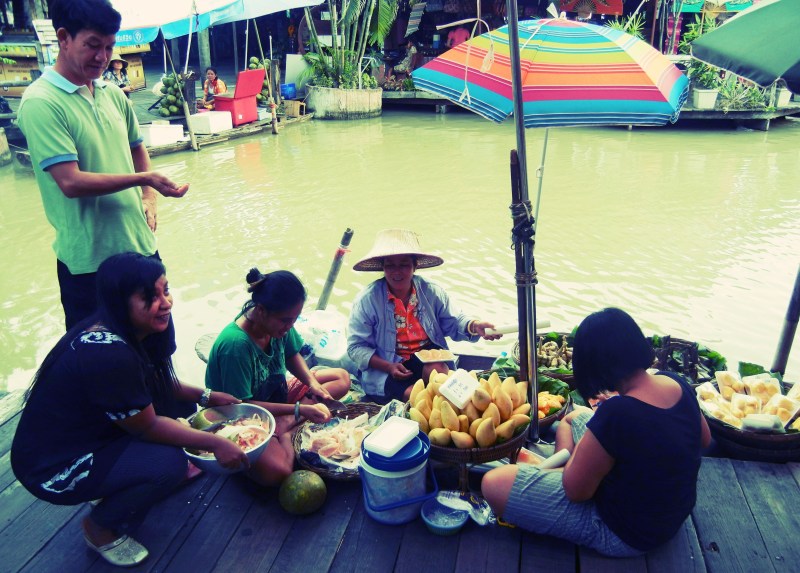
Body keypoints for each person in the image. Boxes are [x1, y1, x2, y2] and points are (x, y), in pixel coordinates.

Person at [10, 253, 247, 568]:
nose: (165, 303)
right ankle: (99, 527)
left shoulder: (121, 329)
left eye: (165, 290)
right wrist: (218, 442)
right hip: (50, 469)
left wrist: (206, 395)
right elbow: (146, 427)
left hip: (82, 439)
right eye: (149, 296)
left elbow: (156, 383)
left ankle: (110, 481)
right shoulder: (109, 354)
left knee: (173, 429)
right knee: (170, 464)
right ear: (119, 302)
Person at [481, 307, 711, 557]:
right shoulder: (676, 382)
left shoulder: (618, 413)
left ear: (594, 366)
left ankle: (565, 466)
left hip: (625, 534)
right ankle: (570, 464)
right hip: (670, 516)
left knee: (493, 483)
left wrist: (576, 464)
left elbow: (577, 492)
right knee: (574, 417)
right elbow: (704, 439)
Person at [17, 0, 189, 331]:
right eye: (93, 45)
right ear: (64, 38)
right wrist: (145, 179)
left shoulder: (113, 94)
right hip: (89, 263)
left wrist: (148, 198)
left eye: (109, 46)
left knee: (157, 354)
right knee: (99, 365)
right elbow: (70, 182)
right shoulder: (41, 102)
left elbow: (138, 147)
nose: (103, 56)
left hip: (141, 249)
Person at [205, 268, 351, 486]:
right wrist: (300, 410)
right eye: (285, 321)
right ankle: (286, 432)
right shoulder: (236, 346)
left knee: (341, 378)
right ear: (261, 310)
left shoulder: (278, 324)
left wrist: (312, 384)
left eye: (294, 320)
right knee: (279, 472)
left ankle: (286, 425)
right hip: (244, 416)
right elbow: (241, 406)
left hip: (277, 396)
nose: (289, 326)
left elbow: (292, 354)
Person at [347, 229, 501, 403]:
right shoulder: (367, 300)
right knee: (417, 399)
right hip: (387, 366)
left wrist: (474, 326)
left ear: (415, 266)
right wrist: (389, 366)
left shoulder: (431, 291)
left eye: (404, 264)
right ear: (383, 267)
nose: (397, 272)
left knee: (441, 379)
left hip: (426, 356)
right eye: (390, 265)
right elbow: (356, 348)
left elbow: (455, 321)